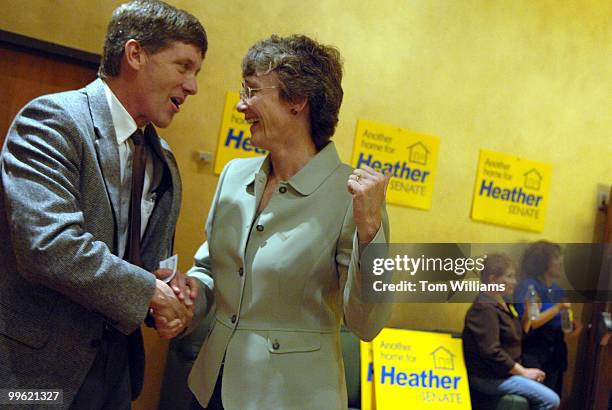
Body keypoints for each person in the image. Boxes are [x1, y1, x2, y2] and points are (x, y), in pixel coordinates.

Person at [0, 1, 206, 408]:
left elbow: (148, 265)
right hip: (37, 371)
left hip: (117, 377)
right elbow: (49, 246)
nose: (193, 86)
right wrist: (150, 290)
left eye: (196, 72)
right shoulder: (52, 121)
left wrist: (171, 289)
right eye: (183, 66)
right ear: (135, 54)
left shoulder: (164, 159)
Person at [185, 34, 392, 409]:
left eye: (251, 91)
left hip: (292, 398)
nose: (241, 104)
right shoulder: (233, 175)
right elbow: (210, 270)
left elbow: (367, 324)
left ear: (298, 100)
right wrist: (186, 297)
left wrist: (371, 231)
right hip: (210, 388)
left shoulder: (356, 199)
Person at [462, 254, 560, 410]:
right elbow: (491, 351)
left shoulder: (504, 304)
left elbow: (518, 335)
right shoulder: (483, 308)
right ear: (493, 279)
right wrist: (522, 372)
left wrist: (528, 314)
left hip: (504, 373)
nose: (515, 282)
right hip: (489, 377)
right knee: (551, 400)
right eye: (509, 276)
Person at [513, 241, 582, 397]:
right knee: (535, 399)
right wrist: (557, 308)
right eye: (556, 258)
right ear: (542, 261)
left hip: (555, 352)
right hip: (533, 351)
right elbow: (530, 324)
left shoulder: (558, 289)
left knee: (553, 397)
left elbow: (565, 325)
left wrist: (572, 326)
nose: (560, 262)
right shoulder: (529, 286)